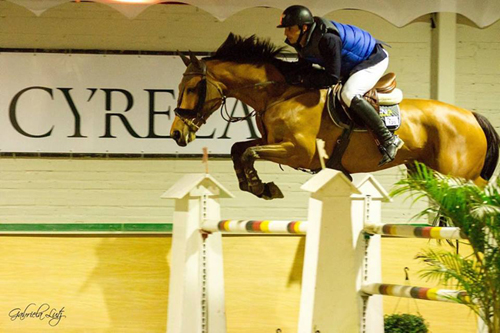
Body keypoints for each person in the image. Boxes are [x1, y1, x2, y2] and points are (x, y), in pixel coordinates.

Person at [277, 5, 404, 166]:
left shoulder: (328, 39)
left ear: (303, 27)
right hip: (351, 64)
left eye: (289, 28)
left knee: (348, 94)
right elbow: (305, 68)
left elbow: (331, 77)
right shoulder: (301, 40)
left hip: (373, 60)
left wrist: (303, 79)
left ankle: (389, 139)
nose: (286, 33)